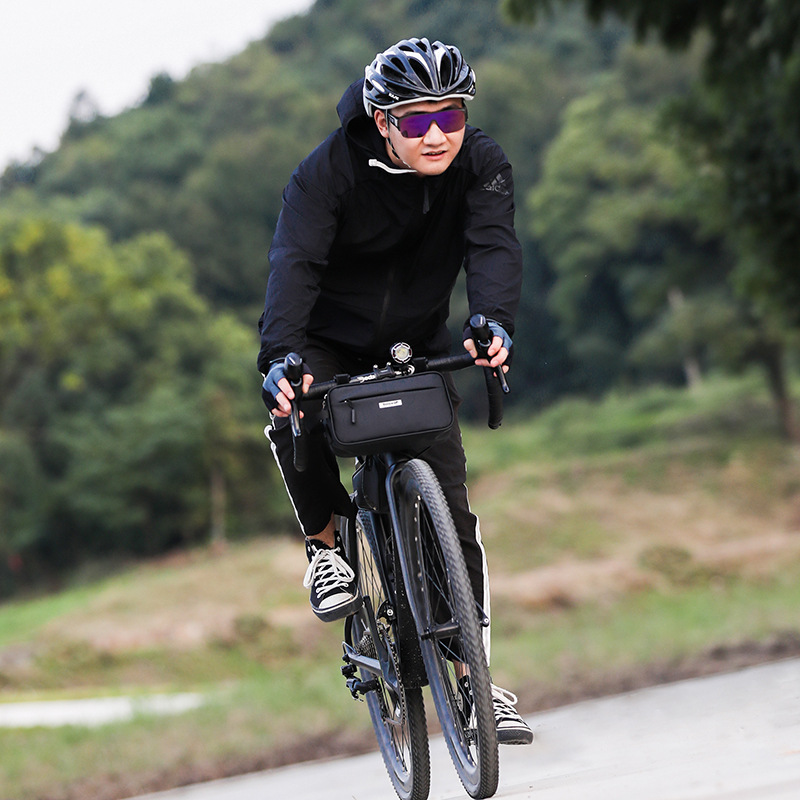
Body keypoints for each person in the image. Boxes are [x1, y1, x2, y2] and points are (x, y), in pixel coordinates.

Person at [258, 37, 532, 745]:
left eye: (450, 116)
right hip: (325, 338)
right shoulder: (326, 174)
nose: (436, 135)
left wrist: (492, 321)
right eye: (416, 121)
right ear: (383, 120)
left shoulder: (481, 165)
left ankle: (473, 686)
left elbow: (494, 247)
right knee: (292, 409)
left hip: (416, 339)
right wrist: (282, 356)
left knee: (455, 517)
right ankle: (326, 546)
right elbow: (294, 265)